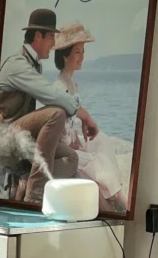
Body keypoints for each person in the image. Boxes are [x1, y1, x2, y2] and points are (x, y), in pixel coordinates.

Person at [0, 8, 99, 204]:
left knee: (71, 159)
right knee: (56, 114)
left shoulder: (34, 64)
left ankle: (26, 179)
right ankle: (34, 194)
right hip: (6, 137)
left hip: (22, 136)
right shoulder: (18, 65)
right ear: (38, 36)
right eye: (51, 37)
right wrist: (84, 116)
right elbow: (51, 95)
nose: (53, 45)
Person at [54, 22, 129, 213]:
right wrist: (72, 143)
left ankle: (114, 191)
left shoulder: (71, 84)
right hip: (62, 152)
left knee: (102, 140)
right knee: (97, 161)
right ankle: (119, 200)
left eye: (83, 51)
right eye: (77, 52)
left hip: (71, 144)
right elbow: (57, 128)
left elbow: (72, 119)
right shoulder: (58, 88)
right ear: (65, 55)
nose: (82, 57)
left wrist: (79, 136)